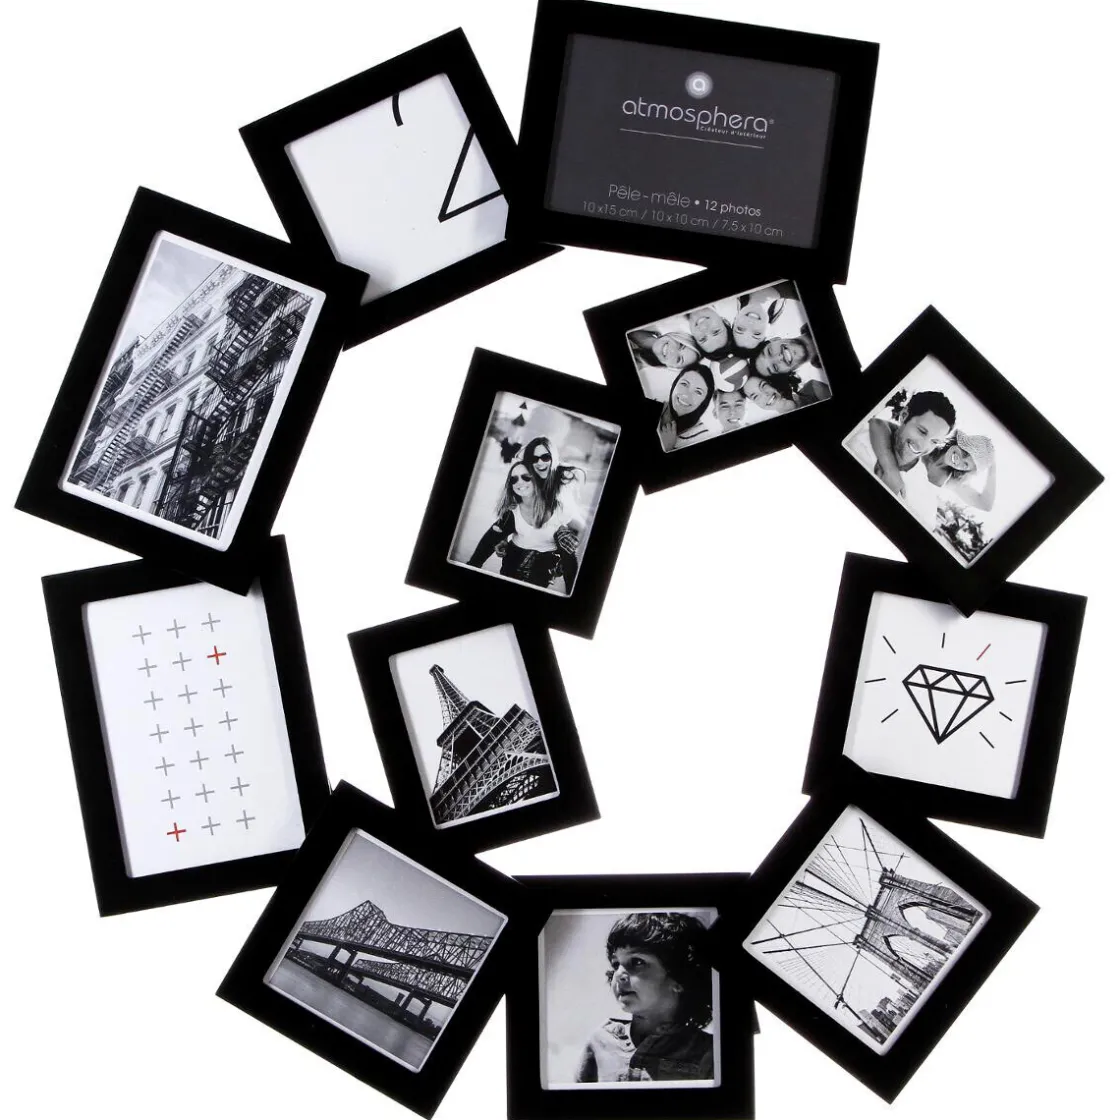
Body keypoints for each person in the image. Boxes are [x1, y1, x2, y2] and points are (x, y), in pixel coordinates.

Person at [575, 912, 715, 1083]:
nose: (618, 974)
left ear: (680, 978)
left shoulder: (708, 1053)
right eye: (616, 964)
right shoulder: (600, 1042)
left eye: (637, 962)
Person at [467, 456, 583, 593]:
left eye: (526, 477)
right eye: (513, 479)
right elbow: (487, 543)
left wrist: (565, 554)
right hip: (513, 560)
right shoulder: (513, 511)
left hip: (543, 566)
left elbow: (579, 532)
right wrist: (502, 539)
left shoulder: (558, 511)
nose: (519, 482)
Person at [846, 389, 957, 498]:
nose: (923, 446)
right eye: (922, 431)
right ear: (904, 415)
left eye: (934, 441)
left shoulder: (922, 492)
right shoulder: (856, 438)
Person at [658, 366, 718, 451]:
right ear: (674, 384)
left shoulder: (703, 437)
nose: (686, 395)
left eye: (698, 392)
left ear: (704, 402)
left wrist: (668, 449)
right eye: (684, 384)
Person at [742, 369, 831, 415]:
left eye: (763, 385)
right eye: (755, 396)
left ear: (771, 383)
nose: (765, 394)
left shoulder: (813, 388)